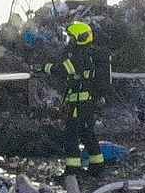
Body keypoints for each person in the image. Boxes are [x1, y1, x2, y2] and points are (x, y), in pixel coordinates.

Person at [41, 21, 112, 176]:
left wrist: (44, 68)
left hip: (79, 103)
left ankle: (73, 170)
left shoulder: (80, 56)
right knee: (87, 133)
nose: (69, 42)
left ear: (80, 38)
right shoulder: (90, 54)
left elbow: (62, 69)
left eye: (71, 38)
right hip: (88, 102)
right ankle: (97, 166)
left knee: (71, 136)